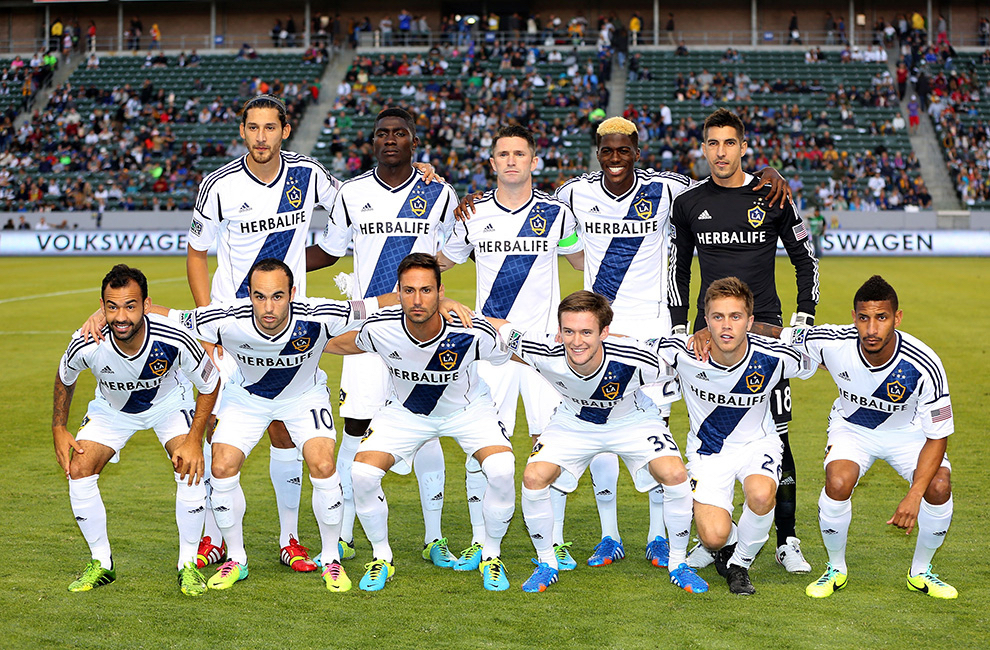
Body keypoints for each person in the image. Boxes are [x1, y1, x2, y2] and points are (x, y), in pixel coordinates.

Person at [552, 116, 789, 571]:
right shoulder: (573, 192)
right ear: (597, 153)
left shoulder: (668, 188)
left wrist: (765, 173)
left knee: (656, 433)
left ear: (638, 152)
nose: (615, 158)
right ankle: (609, 535)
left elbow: (723, 183)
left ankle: (658, 536)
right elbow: (530, 203)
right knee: (599, 426)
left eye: (624, 150)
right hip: (598, 330)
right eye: (607, 150)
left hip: (654, 331)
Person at [163, 258, 411, 592]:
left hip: (304, 397)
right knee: (221, 467)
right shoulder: (225, 317)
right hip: (247, 398)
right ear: (249, 295)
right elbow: (167, 316)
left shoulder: (319, 313)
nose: (268, 307)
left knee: (324, 464)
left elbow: (378, 303)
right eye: (260, 297)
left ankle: (330, 559)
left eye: (278, 296)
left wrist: (441, 302)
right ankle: (236, 558)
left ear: (292, 293)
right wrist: (103, 316)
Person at [185, 94, 340, 575]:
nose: (260, 136)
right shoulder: (219, 185)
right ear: (242, 131)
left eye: (270, 127)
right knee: (216, 430)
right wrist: (206, 321)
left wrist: (422, 176)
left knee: (283, 429)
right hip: (231, 327)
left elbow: (356, 202)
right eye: (252, 127)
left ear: (285, 131)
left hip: (285, 323)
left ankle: (289, 537)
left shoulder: (308, 174)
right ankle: (214, 536)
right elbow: (196, 253)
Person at [669, 107, 820, 574]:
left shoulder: (772, 194)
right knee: (711, 422)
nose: (721, 152)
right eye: (713, 143)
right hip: (711, 330)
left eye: (729, 143)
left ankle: (787, 540)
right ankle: (721, 534)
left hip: (765, 329)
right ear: (703, 148)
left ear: (743, 147)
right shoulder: (689, 203)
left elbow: (806, 257)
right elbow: (678, 269)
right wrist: (681, 327)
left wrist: (803, 318)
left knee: (777, 433)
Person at [310, 107, 458, 568]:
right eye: (382, 133)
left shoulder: (440, 192)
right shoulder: (351, 193)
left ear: (414, 141)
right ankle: (345, 535)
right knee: (355, 427)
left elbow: (456, 247)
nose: (390, 139)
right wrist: (270, 266)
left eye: (399, 133)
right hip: (368, 331)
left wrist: (429, 288)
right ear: (372, 141)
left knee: (427, 430)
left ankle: (434, 538)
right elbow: (330, 250)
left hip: (422, 332)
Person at [323, 254, 517, 592]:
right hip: (405, 414)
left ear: (441, 292)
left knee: (502, 469)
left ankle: (491, 554)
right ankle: (382, 557)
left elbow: (515, 346)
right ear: (398, 293)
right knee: (362, 474)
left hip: (468, 411)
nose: (417, 300)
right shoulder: (380, 328)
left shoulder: (469, 329)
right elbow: (337, 343)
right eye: (409, 290)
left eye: (426, 290)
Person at [492, 290, 707, 594]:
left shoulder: (636, 357)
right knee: (533, 477)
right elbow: (497, 327)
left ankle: (678, 563)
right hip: (574, 422)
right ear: (559, 331)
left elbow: (680, 350)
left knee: (674, 474)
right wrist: (447, 306)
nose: (576, 341)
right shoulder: (543, 349)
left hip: (632, 420)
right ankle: (546, 563)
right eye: (568, 331)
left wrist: (702, 337)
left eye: (586, 332)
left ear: (604, 333)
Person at [437, 125, 583, 572]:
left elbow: (584, 260)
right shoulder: (472, 214)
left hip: (544, 349)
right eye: (504, 154)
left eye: (520, 153)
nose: (512, 161)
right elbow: (439, 262)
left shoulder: (557, 214)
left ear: (534, 161)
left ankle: (554, 540)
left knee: (550, 444)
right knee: (483, 444)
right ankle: (480, 540)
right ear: (492, 163)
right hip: (490, 347)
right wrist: (440, 299)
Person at [763, 276, 957, 599]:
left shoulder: (924, 363)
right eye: (864, 318)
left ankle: (921, 572)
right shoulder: (831, 340)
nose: (872, 329)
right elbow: (775, 333)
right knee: (838, 481)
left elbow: (938, 437)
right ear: (854, 317)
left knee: (938, 486)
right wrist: (712, 333)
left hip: (908, 434)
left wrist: (915, 495)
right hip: (852, 428)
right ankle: (835, 569)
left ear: (897, 318)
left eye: (881, 318)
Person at [53, 264, 220, 596]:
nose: (121, 317)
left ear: (146, 305)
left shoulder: (174, 338)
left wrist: (194, 438)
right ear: (102, 308)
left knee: (188, 465)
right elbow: (65, 376)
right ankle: (102, 563)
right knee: (79, 468)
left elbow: (209, 383)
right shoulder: (87, 342)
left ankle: (187, 565)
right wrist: (59, 427)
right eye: (112, 307)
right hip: (112, 410)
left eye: (130, 306)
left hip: (169, 404)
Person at [659, 277, 817, 594]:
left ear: (750, 320)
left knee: (761, 495)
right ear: (706, 321)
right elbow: (632, 347)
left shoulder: (773, 356)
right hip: (708, 451)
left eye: (736, 317)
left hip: (757, 445)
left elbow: (820, 353)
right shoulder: (683, 353)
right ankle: (728, 540)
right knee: (712, 536)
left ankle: (739, 564)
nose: (726, 326)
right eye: (718, 317)